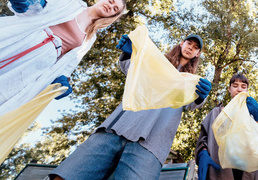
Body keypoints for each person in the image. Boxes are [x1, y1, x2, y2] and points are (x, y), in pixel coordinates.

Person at [49, 33, 213, 180]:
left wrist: (200, 97)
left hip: (152, 143)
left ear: (198, 54)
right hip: (117, 128)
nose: (191, 48)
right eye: (189, 44)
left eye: (195, 48)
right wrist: (129, 53)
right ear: (182, 43)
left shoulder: (193, 81)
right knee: (67, 175)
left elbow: (192, 104)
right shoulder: (157, 62)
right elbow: (131, 69)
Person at [0, 0, 126, 116]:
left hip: (38, 64)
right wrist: (30, 1)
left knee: (7, 86)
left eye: (115, 9)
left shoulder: (90, 37)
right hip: (24, 41)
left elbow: (71, 62)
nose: (110, 7)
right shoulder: (73, 0)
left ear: (112, 16)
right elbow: (44, 4)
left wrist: (63, 78)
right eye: (110, 1)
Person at [195, 73, 258, 180]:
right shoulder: (216, 113)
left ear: (247, 90)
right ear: (229, 89)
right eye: (235, 86)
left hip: (251, 169)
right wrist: (203, 152)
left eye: (243, 87)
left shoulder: (253, 114)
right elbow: (203, 137)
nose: (239, 89)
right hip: (221, 169)